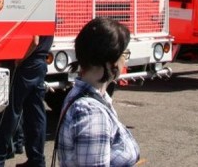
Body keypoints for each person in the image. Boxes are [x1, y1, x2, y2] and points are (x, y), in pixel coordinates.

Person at [55, 17, 140, 167]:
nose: (125, 61)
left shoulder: (91, 96)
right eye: (124, 54)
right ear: (111, 61)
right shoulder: (91, 112)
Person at [0, 34, 54, 167]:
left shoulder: (35, 12)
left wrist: (21, 58)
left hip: (27, 62)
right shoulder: (50, 14)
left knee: (9, 110)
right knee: (36, 114)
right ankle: (37, 160)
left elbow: (34, 39)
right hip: (40, 61)